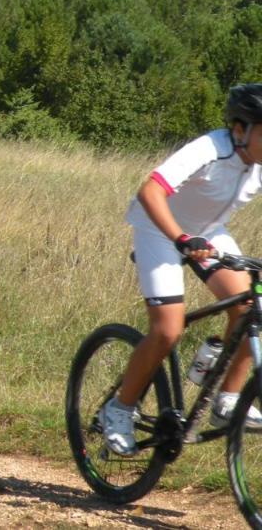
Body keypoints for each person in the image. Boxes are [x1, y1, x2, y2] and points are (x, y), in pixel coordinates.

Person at [100, 83, 262, 455]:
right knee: (168, 329)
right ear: (240, 130)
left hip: (207, 234)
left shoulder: (256, 164)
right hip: (158, 228)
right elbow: (150, 191)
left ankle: (227, 401)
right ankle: (119, 408)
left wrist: (195, 239)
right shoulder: (210, 149)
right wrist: (180, 238)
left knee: (250, 308)